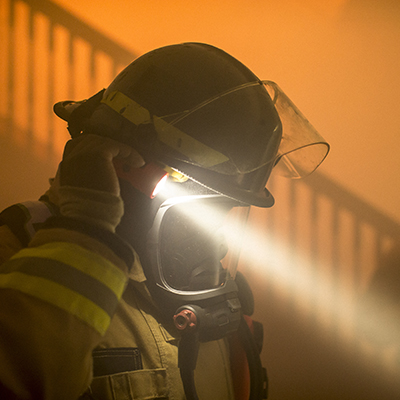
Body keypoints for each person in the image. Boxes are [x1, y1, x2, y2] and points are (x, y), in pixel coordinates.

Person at [0, 43, 329, 399]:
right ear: (118, 159)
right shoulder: (17, 250)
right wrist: (88, 228)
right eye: (198, 194)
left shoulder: (209, 289)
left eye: (225, 206)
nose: (211, 225)